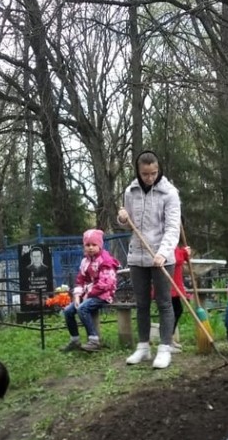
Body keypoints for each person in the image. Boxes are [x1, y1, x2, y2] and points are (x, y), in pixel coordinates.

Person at [117, 149, 181, 370]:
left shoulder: (169, 193)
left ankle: (164, 348)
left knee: (164, 302)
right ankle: (143, 347)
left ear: (158, 169)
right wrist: (122, 218)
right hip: (137, 255)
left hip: (162, 256)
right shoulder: (130, 191)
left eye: (153, 173)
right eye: (145, 174)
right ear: (138, 171)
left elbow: (172, 228)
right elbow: (128, 224)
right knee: (142, 303)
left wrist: (163, 252)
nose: (150, 177)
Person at [61, 229, 120, 353]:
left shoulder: (105, 260)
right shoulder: (85, 261)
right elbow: (80, 279)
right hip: (88, 293)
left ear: (100, 245)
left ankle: (94, 340)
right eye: (87, 245)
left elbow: (106, 283)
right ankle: (75, 340)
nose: (91, 247)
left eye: (94, 244)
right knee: (68, 311)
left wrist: (88, 295)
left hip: (104, 294)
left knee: (82, 308)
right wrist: (77, 296)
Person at [170, 241, 192, 352]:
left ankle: (169, 338)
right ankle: (167, 340)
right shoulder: (167, 243)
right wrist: (184, 252)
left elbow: (181, 259)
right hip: (169, 284)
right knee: (173, 311)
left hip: (175, 284)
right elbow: (174, 259)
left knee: (176, 310)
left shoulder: (175, 244)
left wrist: (186, 254)